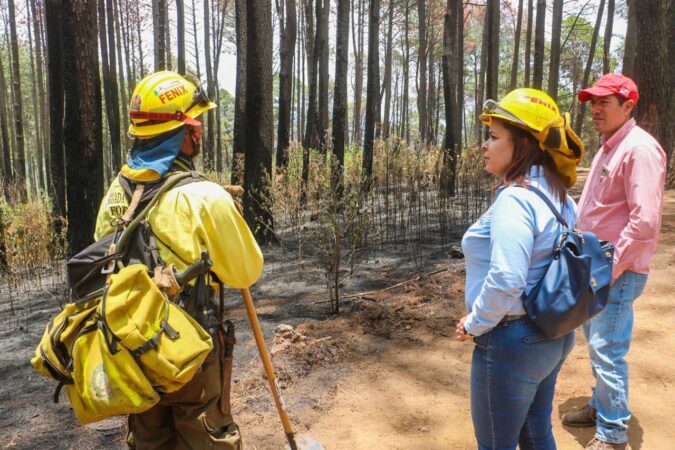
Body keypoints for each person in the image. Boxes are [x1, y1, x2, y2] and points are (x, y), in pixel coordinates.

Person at [94, 71, 264, 449]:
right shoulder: (204, 196)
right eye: (196, 123)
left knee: (149, 441)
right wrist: (222, 215)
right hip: (193, 351)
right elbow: (246, 271)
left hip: (133, 352)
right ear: (186, 132)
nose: (200, 131)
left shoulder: (114, 195)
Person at [456, 88, 584, 450]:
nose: (485, 144)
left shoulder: (515, 199)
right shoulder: (560, 195)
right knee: (536, 433)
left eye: (495, 137)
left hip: (512, 340)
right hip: (553, 335)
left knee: (496, 444)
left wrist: (475, 322)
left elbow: (508, 278)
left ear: (524, 145)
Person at [561, 73, 666, 450]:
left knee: (608, 350)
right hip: (598, 268)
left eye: (604, 102)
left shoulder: (639, 149)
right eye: (593, 102)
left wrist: (611, 268)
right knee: (597, 345)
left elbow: (645, 220)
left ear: (628, 105)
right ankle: (601, 404)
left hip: (614, 273)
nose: (595, 109)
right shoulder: (610, 147)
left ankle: (613, 433)